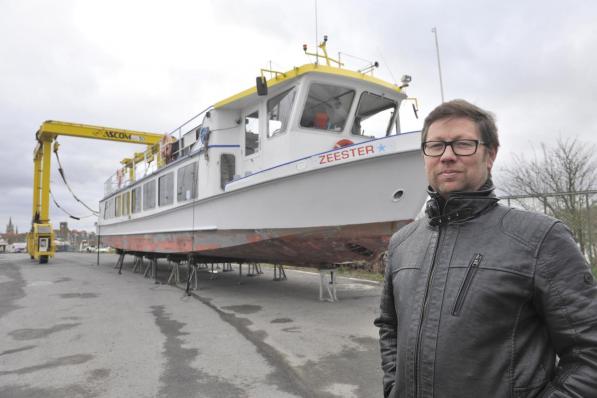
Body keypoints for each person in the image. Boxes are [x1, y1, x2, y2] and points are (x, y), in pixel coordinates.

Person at [374, 99, 597, 398]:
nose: (447, 156)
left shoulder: (540, 238)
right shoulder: (403, 242)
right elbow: (390, 327)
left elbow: (589, 352)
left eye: (463, 144)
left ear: (490, 155)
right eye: (436, 145)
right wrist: (393, 387)